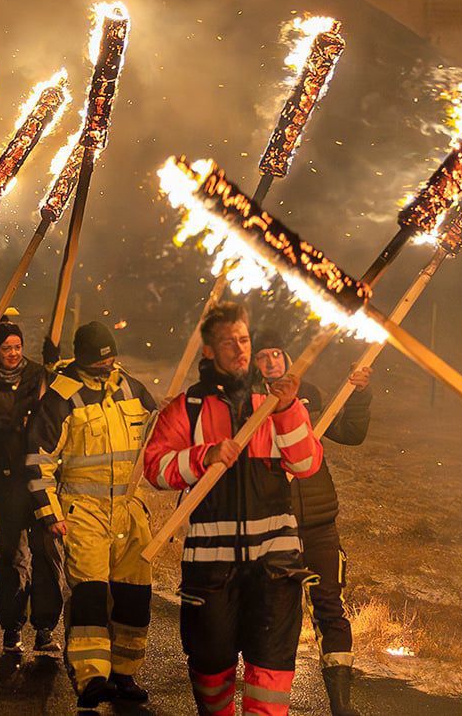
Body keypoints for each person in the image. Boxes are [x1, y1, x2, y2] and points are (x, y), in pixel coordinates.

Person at [143, 302, 324, 716]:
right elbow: (154, 468)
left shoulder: (273, 403)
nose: (240, 350)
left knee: (271, 670)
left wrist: (288, 410)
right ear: (208, 351)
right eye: (229, 343)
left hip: (275, 566)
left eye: (244, 340)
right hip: (211, 569)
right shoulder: (187, 408)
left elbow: (306, 464)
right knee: (210, 671)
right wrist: (203, 457)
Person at [29, 321, 158, 710]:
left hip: (131, 510)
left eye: (112, 358)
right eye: (101, 361)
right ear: (84, 359)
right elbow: (38, 461)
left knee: (135, 597)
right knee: (90, 596)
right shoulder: (60, 397)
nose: (109, 366)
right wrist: (50, 514)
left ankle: (124, 673)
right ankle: (91, 680)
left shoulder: (132, 388)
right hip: (83, 511)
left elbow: (159, 432)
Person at [254, 329, 371, 716]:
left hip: (320, 524)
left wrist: (358, 394)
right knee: (275, 615)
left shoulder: (312, 396)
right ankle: (267, 705)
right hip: (274, 527)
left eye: (277, 352)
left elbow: (352, 433)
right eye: (262, 355)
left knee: (330, 609)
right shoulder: (244, 407)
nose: (272, 360)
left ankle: (342, 704)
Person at [0, 322, 60, 656]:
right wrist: (18, 421)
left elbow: (53, 411)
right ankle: (11, 625)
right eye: (6, 348)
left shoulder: (37, 375)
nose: (13, 353)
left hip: (39, 476)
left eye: (17, 346)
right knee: (13, 555)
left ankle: (46, 627)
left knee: (46, 551)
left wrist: (54, 365)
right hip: (6, 477)